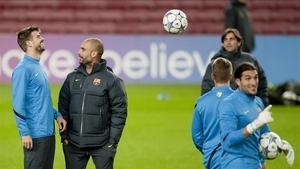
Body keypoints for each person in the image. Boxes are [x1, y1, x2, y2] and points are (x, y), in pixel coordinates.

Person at [58, 38, 128, 169]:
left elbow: (120, 112)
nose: (79, 52)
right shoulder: (72, 77)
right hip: (73, 144)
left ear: (94, 53)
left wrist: (112, 143)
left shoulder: (111, 80)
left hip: (102, 145)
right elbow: (63, 107)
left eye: (83, 49)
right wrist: (65, 137)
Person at [219, 62, 294, 169]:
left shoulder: (258, 102)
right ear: (238, 82)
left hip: (254, 163)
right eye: (248, 78)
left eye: (255, 78)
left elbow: (264, 133)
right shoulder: (229, 104)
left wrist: (279, 142)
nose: (253, 82)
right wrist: (253, 126)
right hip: (235, 164)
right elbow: (228, 140)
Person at [12, 26, 67, 169]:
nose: (42, 38)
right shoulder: (22, 69)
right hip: (35, 135)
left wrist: (57, 115)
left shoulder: (37, 66)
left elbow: (41, 100)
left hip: (48, 133)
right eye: (38, 36)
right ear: (29, 43)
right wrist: (24, 133)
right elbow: (18, 105)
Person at [201, 28, 268, 106]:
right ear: (222, 43)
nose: (228, 42)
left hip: (247, 105)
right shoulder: (216, 62)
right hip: (222, 106)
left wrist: (263, 101)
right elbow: (207, 85)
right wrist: (206, 104)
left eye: (231, 39)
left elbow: (262, 81)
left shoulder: (250, 59)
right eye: (225, 40)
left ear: (239, 42)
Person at [192, 57, 234, 169]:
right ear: (231, 76)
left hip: (212, 158)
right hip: (236, 158)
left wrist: (209, 150)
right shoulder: (240, 100)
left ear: (212, 76)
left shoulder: (201, 102)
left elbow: (196, 137)